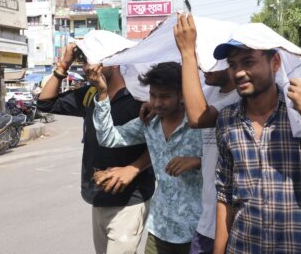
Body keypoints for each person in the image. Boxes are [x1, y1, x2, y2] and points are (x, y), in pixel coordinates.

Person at [212, 34, 301, 253]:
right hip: (241, 246)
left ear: (275, 63)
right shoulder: (227, 119)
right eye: (233, 65)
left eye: (248, 62)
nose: (239, 72)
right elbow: (224, 195)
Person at [37, 43, 155, 254]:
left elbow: (159, 141)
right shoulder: (90, 94)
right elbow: (46, 103)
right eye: (83, 60)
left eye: (92, 58)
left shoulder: (140, 97)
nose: (86, 66)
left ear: (114, 61)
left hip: (130, 198)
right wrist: (64, 63)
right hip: (98, 195)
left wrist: (134, 168)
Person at [92, 62, 203, 254]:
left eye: (165, 97)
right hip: (159, 227)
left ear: (182, 95)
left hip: (197, 229)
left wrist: (198, 161)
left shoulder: (200, 123)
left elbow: (227, 161)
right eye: (153, 95)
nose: (158, 103)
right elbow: (107, 138)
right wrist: (102, 94)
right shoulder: (148, 123)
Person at [173, 13, 240, 254]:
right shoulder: (211, 92)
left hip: (231, 220)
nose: (202, 67)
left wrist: (188, 52)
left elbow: (197, 117)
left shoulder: (239, 98)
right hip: (207, 216)